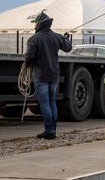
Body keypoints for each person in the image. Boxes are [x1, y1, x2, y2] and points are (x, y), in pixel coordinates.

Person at [23, 11, 72, 140]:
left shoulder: (34, 39)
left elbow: (28, 58)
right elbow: (68, 48)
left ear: (40, 24)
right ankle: (53, 130)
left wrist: (28, 65)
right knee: (52, 102)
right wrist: (66, 38)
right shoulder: (57, 37)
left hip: (40, 75)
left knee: (44, 103)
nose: (34, 26)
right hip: (54, 74)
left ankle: (49, 131)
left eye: (36, 23)